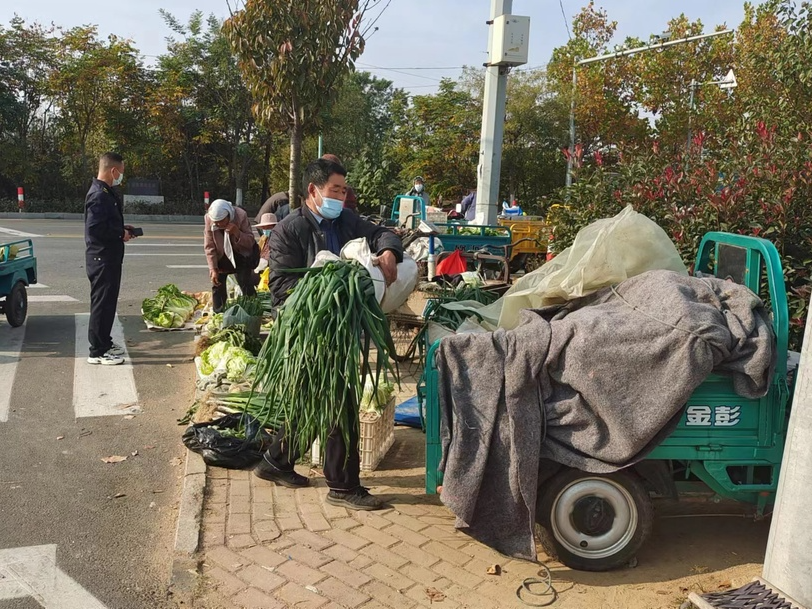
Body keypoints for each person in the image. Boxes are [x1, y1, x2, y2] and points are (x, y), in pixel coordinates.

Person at [256, 158, 403, 511]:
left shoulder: (344, 219)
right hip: (311, 331)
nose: (342, 195)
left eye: (344, 189)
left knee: (311, 400)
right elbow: (281, 288)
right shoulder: (289, 230)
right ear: (313, 191)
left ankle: (275, 462)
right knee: (340, 403)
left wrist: (388, 251)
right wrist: (332, 285)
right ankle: (343, 486)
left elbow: (381, 231)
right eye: (335, 190)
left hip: (339, 328)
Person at [84, 152, 137, 365]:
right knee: (102, 304)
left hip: (109, 257)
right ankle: (98, 351)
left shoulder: (105, 192)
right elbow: (95, 230)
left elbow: (106, 224)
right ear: (113, 171)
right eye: (121, 173)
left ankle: (104, 341)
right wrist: (119, 234)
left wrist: (122, 229)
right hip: (102, 258)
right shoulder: (98, 195)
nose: (121, 177)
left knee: (107, 303)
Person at [204, 199, 260, 312]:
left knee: (245, 282)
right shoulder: (209, 219)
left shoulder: (240, 215)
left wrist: (237, 232)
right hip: (221, 255)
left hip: (240, 253)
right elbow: (209, 246)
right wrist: (213, 268)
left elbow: (250, 241)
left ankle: (252, 310)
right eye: (216, 222)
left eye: (221, 221)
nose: (218, 224)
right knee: (217, 283)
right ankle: (219, 312)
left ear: (229, 216)